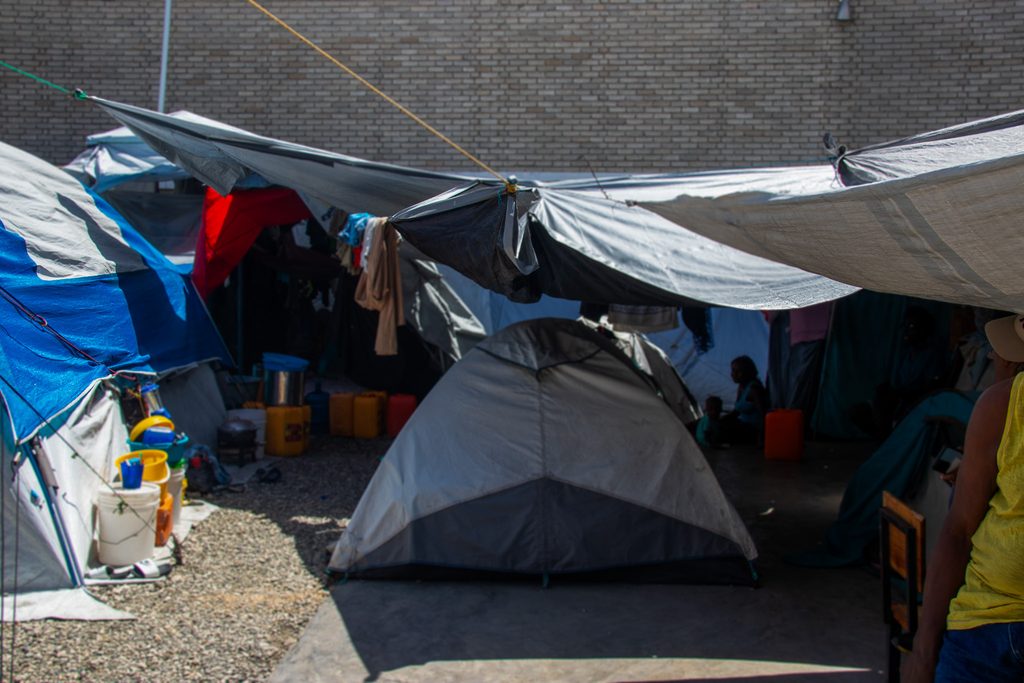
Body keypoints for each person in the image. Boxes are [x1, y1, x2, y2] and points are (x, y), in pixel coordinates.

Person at [903, 313, 1024, 682]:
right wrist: (924, 652)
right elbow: (958, 531)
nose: (999, 361)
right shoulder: (1002, 406)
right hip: (985, 629)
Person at [719, 356, 767, 446]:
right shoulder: (741, 387)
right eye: (733, 370)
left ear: (747, 372)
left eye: (738, 371)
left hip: (753, 430)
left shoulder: (754, 389)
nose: (733, 374)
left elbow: (764, 415)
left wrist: (761, 437)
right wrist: (720, 419)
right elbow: (737, 412)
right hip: (743, 425)